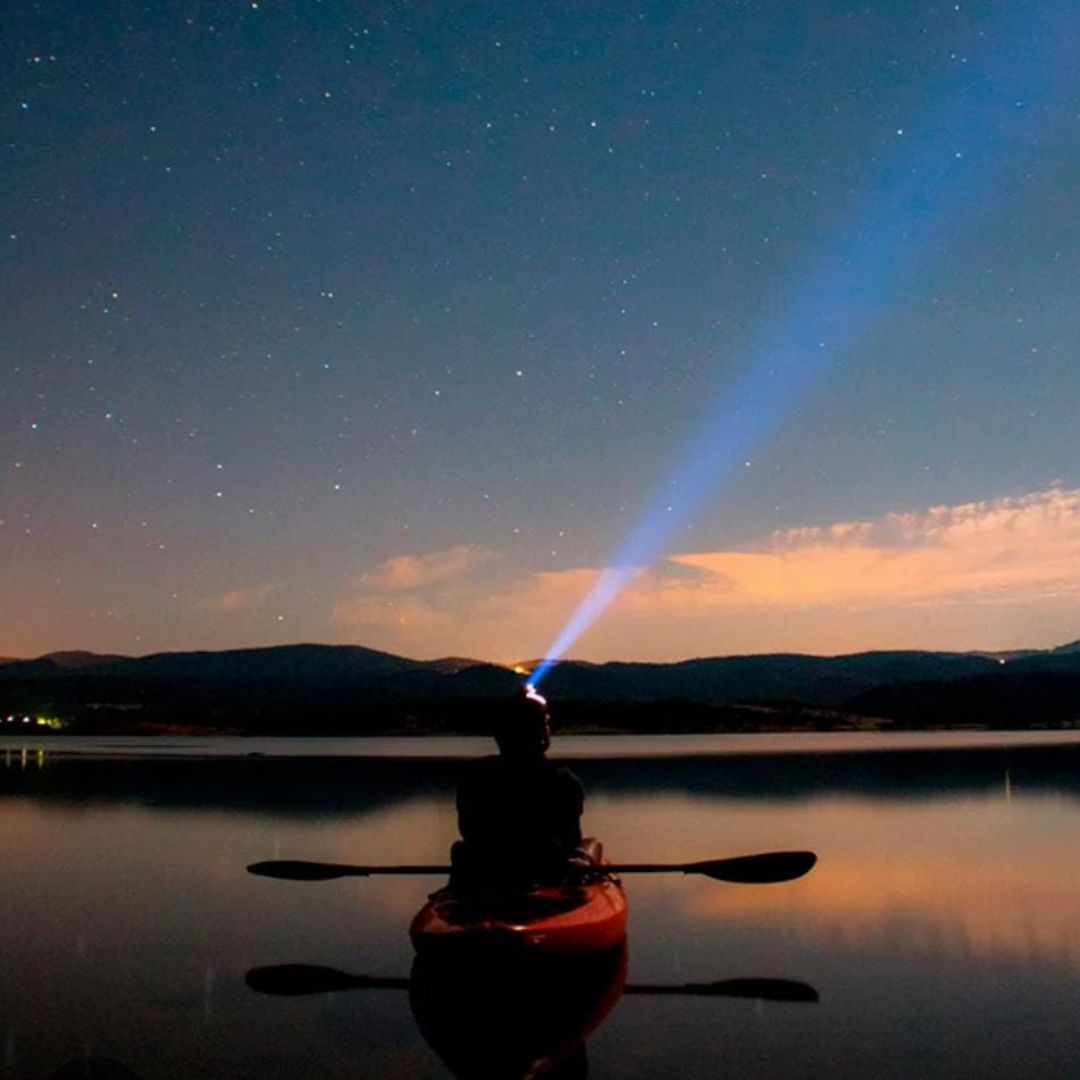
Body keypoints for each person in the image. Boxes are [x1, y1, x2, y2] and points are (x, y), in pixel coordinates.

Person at [452, 685, 595, 887]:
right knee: (590, 845)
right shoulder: (563, 782)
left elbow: (467, 831)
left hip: (483, 870)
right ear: (542, 734)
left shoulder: (473, 775)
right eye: (545, 724)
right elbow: (570, 840)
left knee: (461, 849)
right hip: (542, 873)